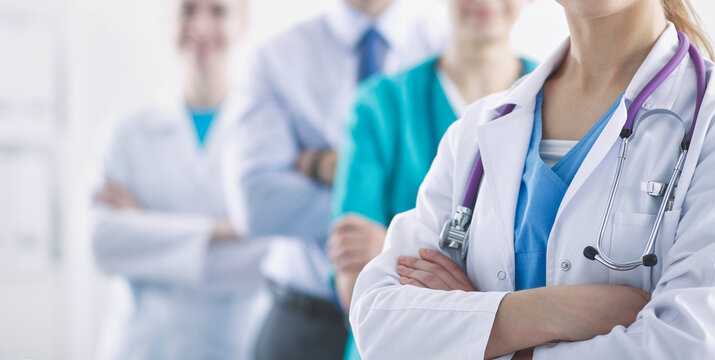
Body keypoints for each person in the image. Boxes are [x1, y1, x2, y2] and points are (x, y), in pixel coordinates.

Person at [350, 0, 715, 359]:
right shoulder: (479, 128)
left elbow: (687, 345)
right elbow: (379, 322)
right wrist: (547, 312)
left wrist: (483, 334)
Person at [221, 0, 447, 358]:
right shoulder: (277, 57)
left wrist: (321, 166)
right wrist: (393, 210)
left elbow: (468, 196)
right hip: (304, 319)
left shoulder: (448, 45)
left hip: (413, 318)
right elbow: (256, 204)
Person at [330, 0, 536, 358]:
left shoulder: (559, 101)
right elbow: (356, 288)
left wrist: (393, 252)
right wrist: (496, 303)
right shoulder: (380, 104)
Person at [91, 0, 270, 359]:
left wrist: (146, 229)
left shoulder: (265, 131)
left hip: (236, 343)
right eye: (188, 10)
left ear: (243, 23)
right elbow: (103, 244)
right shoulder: (128, 131)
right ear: (167, 20)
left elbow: (268, 254)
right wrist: (228, 230)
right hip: (145, 345)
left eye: (218, 11)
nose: (201, 27)